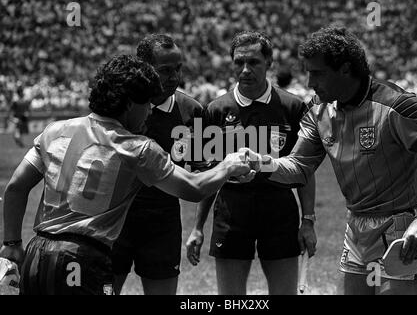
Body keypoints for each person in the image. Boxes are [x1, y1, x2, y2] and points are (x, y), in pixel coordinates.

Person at [0, 54, 252, 295]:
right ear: (130, 104)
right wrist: (228, 165)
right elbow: (193, 188)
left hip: (36, 254)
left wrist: (12, 244)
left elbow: (16, 187)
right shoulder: (137, 148)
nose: (151, 111)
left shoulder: (55, 131)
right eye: (147, 104)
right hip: (81, 259)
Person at [240, 26, 417, 295]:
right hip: (356, 228)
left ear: (346, 69)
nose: (309, 83)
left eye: (317, 73)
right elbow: (298, 166)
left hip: (401, 230)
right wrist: (260, 163)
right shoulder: (319, 111)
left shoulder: (397, 106)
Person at [186, 31, 317, 295]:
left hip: (279, 209)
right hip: (231, 211)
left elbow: (305, 170)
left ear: (269, 63)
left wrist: (308, 221)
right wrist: (197, 227)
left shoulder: (292, 107)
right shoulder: (215, 110)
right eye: (238, 62)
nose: (245, 70)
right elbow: (207, 173)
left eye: (254, 62)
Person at [112, 34, 205, 295]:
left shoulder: (193, 111)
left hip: (163, 221)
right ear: (144, 68)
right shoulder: (119, 106)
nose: (174, 77)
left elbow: (201, 170)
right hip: (114, 218)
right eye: (165, 71)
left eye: (178, 69)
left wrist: (198, 227)